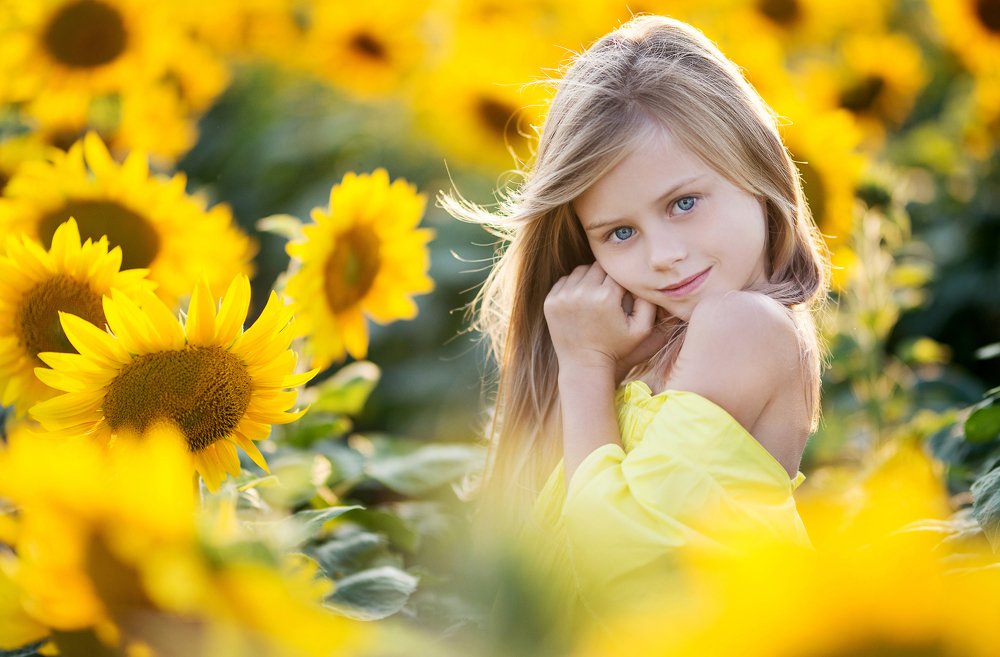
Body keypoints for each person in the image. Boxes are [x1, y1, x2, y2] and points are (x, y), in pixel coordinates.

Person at [442, 14, 829, 628]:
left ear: (757, 170)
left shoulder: (743, 326)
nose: (662, 255)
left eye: (683, 203)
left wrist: (585, 368)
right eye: (620, 232)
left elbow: (621, 563)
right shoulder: (650, 341)